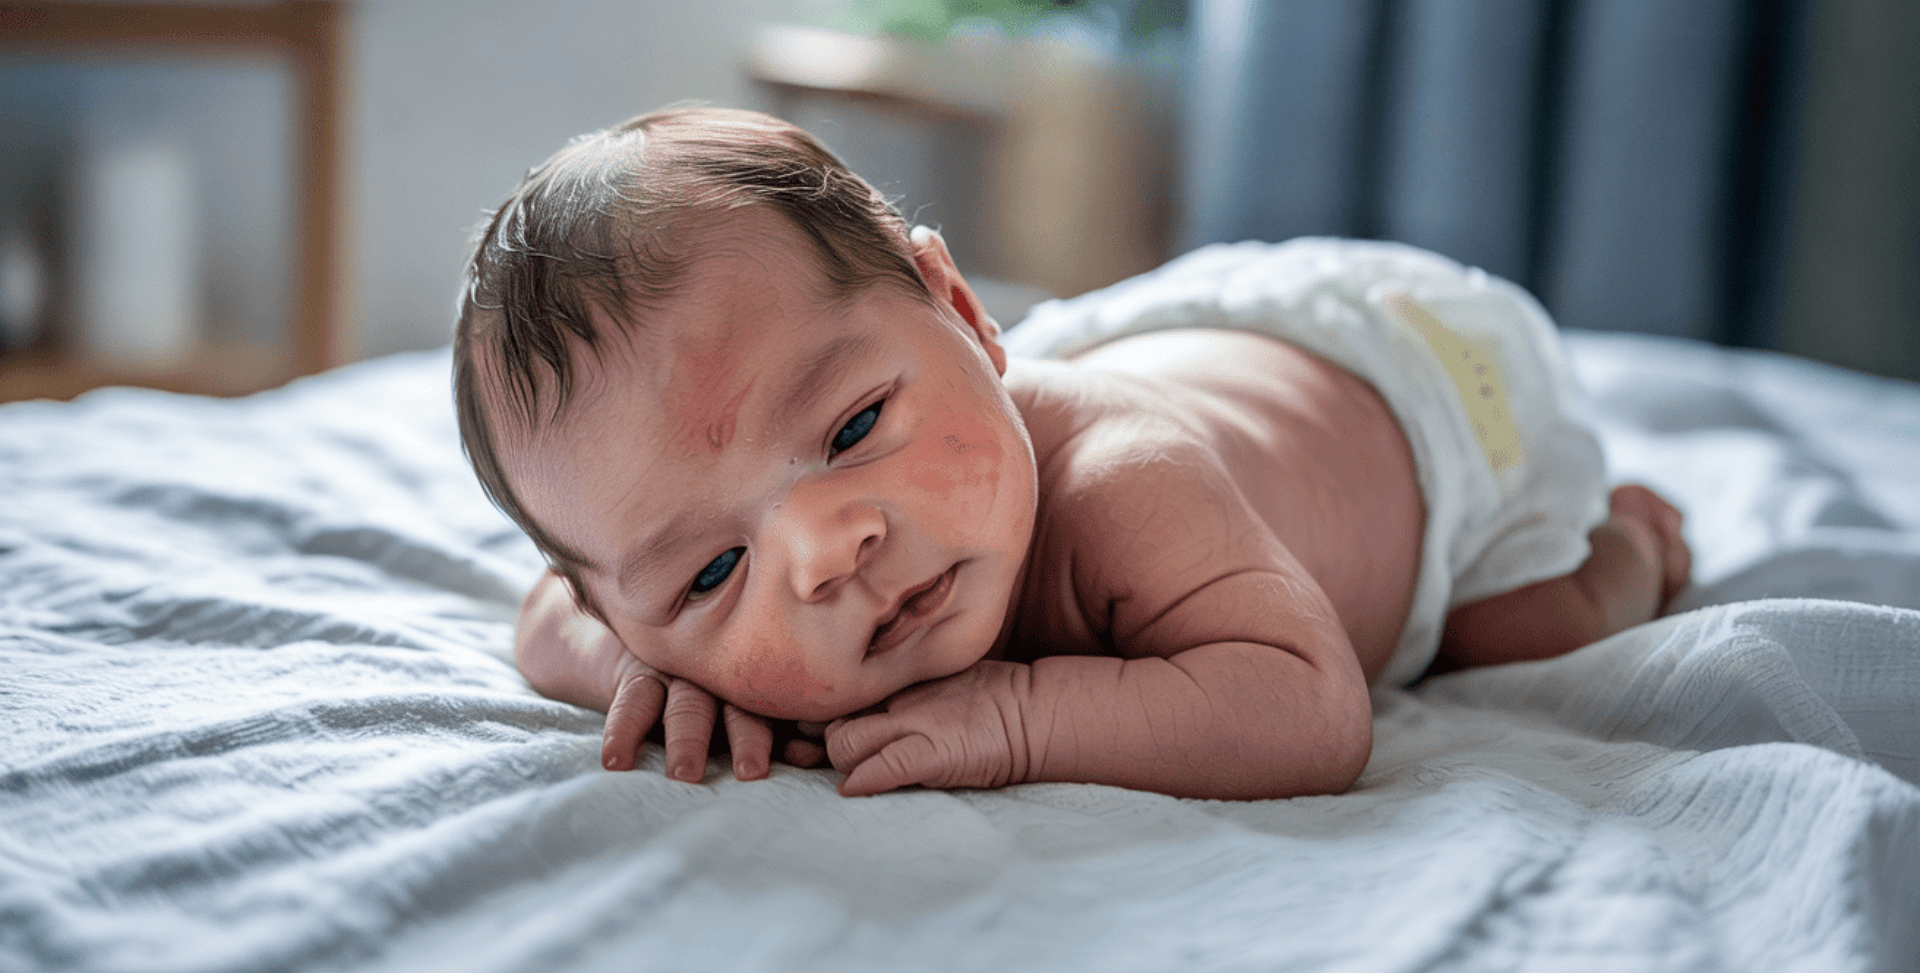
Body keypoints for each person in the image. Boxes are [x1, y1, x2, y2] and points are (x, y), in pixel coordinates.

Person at [453, 106, 1690, 801]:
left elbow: (1311, 709)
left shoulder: (1125, 487)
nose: (828, 549)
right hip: (1176, 356)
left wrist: (1025, 718)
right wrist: (643, 663)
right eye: (712, 574)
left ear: (965, 312)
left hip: (1423, 387)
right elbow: (554, 613)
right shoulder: (646, 597)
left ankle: (1634, 540)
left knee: (1516, 632)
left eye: (850, 429)